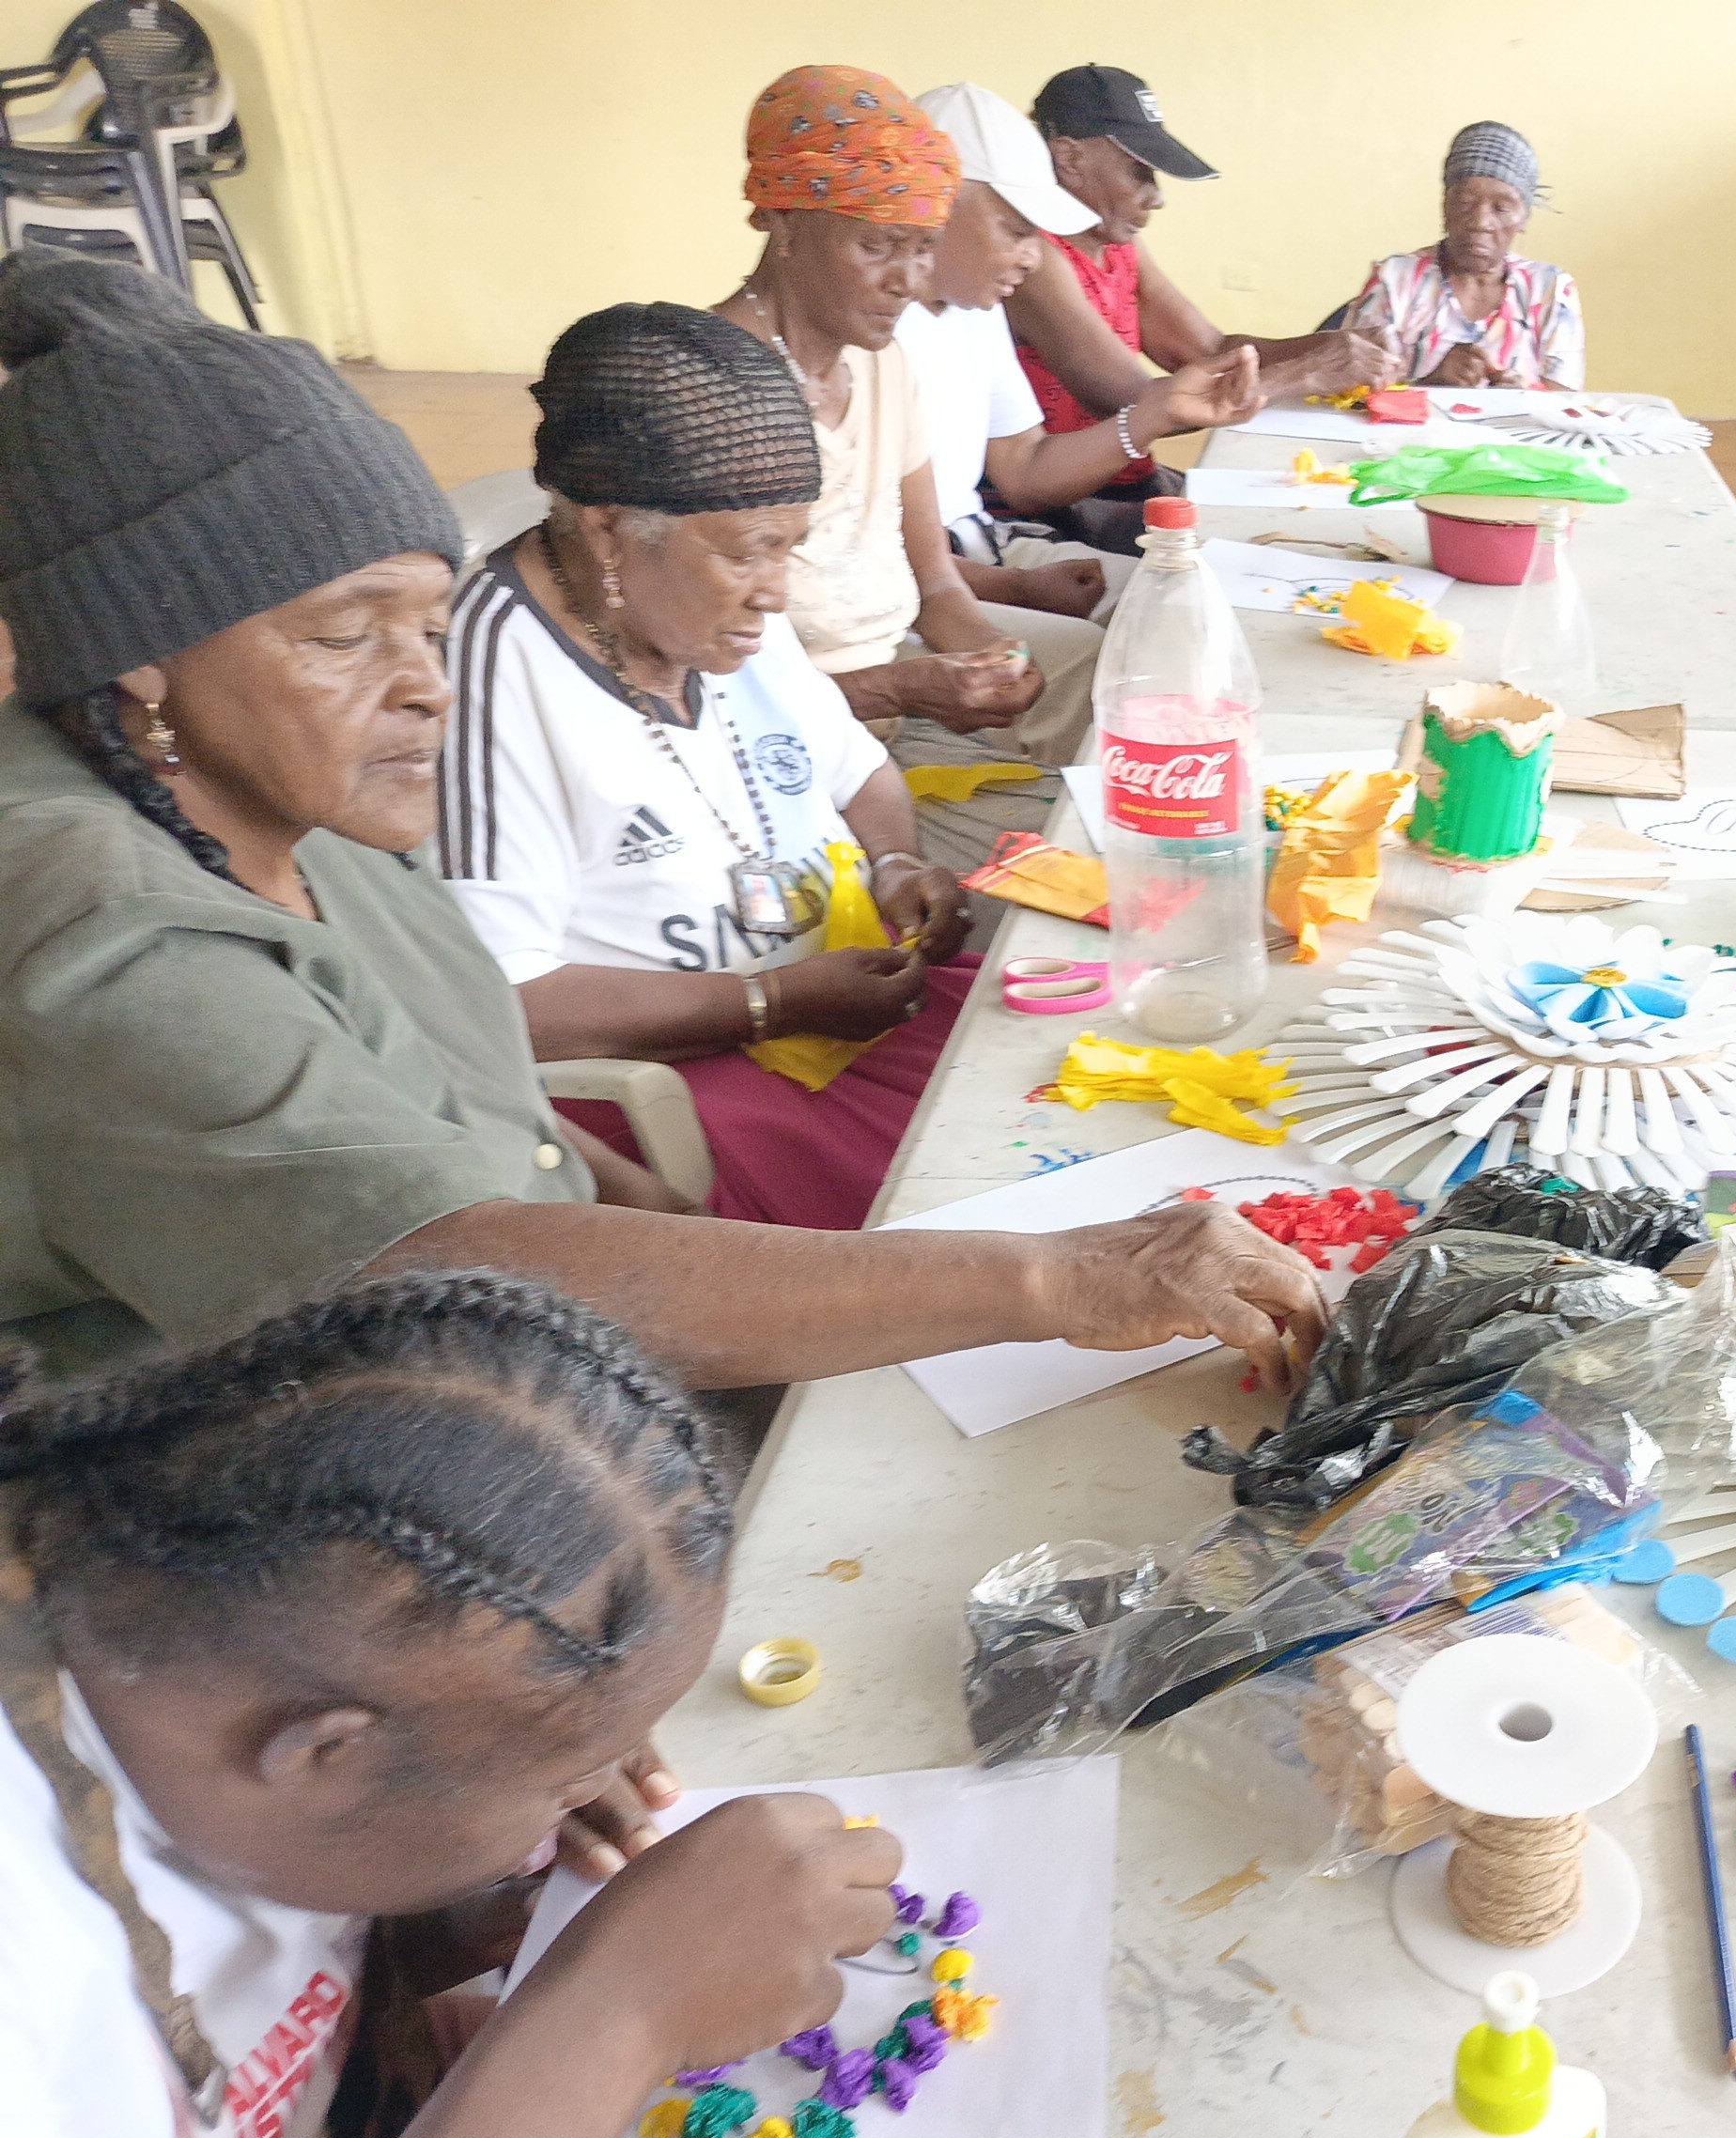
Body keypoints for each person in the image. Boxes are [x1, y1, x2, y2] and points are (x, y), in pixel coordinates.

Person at [0, 246, 1321, 1396]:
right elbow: (428, 1263)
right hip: (296, 1439)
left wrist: (645, 1203)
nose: (424, 684)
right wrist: (1049, 1283)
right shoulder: (98, 909)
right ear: (139, 651)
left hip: (524, 1316)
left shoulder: (302, 797)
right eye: (346, 635)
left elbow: (464, 1096)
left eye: (426, 625)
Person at [0, 1271, 915, 2138]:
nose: (602, 1793)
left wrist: (438, 1926)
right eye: (567, 1778)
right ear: (324, 1754)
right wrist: (615, 2016)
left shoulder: (183, 1666)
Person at [437, 302, 983, 1233]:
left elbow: (861, 777)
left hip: (837, 1008)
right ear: (608, 533)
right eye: (749, 553)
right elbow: (505, 1002)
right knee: (966, 1219)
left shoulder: (716, 615)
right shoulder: (485, 677)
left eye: (790, 546)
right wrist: (769, 1001)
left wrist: (895, 863)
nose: (778, 591)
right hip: (690, 1080)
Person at [717, 67, 1093, 878]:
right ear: (784, 224)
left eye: (922, 248)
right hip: (782, 768)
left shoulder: (881, 364)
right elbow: (714, 702)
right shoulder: (719, 395)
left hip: (881, 725)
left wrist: (993, 662)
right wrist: (897, 688)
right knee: (1080, 870)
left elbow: (936, 584)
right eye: (877, 246)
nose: (907, 281)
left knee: (1101, 808)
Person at [900, 82, 1261, 612]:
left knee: (1199, 599)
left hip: (983, 546)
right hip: (923, 582)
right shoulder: (874, 332)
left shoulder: (976, 311)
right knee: (1149, 634)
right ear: (938, 208)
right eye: (1016, 231)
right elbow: (865, 554)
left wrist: (1155, 414)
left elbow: (1024, 471)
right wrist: (1018, 589)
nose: (1033, 257)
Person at [1008, 64, 1399, 551]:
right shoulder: (1032, 257)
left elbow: (1208, 350)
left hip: (1125, 486)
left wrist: (1338, 347)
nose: (1157, 197)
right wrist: (1306, 371)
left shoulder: (1115, 244)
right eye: (1139, 171)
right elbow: (1131, 401)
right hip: (1064, 510)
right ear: (1070, 158)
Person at [1347, 121, 1584, 391]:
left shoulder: (1550, 290)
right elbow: (1349, 397)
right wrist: (1429, 384)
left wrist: (1519, 400)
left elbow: (1565, 404)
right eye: (1464, 203)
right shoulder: (1394, 281)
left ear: (1524, 218)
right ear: (1445, 205)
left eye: (1501, 208)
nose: (1480, 222)